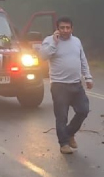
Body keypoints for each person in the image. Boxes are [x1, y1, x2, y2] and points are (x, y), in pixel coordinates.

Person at [37, 17, 93, 155]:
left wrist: (88, 77)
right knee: (61, 116)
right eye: (62, 28)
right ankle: (63, 143)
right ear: (57, 28)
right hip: (59, 85)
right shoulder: (50, 40)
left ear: (72, 29)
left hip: (76, 83)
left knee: (83, 110)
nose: (65, 30)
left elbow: (82, 59)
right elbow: (42, 56)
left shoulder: (76, 41)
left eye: (68, 28)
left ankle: (69, 133)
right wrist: (54, 43)